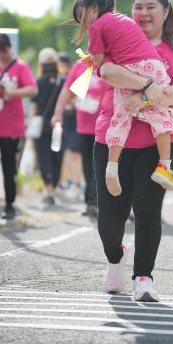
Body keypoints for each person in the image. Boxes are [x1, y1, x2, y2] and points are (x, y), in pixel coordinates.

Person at [91, 0, 173, 301]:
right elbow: (108, 72)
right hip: (113, 141)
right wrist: (148, 85)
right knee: (110, 218)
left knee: (148, 211)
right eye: (138, 6)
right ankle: (115, 259)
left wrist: (143, 97)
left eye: (151, 6)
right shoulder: (116, 43)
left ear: (166, 12)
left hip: (159, 143)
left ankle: (143, 277)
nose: (143, 12)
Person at [72, 0, 173, 196]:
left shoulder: (96, 26)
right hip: (149, 67)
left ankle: (112, 166)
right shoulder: (121, 19)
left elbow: (99, 59)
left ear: (94, 8)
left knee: (120, 116)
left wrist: (93, 60)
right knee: (160, 113)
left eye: (82, 15)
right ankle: (165, 166)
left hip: (125, 72)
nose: (83, 23)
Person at [0, 33, 37, 220]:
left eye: (4, 50)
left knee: (9, 168)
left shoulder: (20, 66)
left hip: (12, 129)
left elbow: (32, 89)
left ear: (9, 47)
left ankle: (9, 205)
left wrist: (10, 91)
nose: (2, 55)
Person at [52, 58, 107, 217]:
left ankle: (94, 202)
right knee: (87, 165)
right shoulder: (80, 64)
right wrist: (58, 113)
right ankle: (90, 201)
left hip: (104, 125)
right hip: (83, 125)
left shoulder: (110, 63)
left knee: (98, 164)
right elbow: (66, 90)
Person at [29, 48, 65, 206]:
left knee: (44, 158)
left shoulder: (38, 82)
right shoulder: (63, 81)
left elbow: (34, 107)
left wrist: (30, 125)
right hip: (59, 126)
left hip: (42, 127)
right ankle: (53, 187)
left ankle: (49, 190)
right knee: (57, 157)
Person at [57, 52, 84, 195]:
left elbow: (78, 97)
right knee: (66, 150)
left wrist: (70, 101)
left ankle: (76, 181)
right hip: (66, 118)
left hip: (76, 117)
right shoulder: (60, 78)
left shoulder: (77, 73)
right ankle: (68, 181)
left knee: (74, 151)